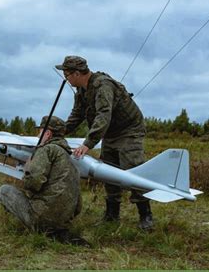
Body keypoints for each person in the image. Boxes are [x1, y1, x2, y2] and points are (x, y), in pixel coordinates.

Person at [55, 55, 153, 230]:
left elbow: (103, 115)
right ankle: (112, 216)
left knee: (133, 169)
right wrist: (57, 132)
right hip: (110, 132)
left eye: (67, 74)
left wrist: (88, 143)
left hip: (129, 130)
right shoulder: (81, 92)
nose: (66, 79)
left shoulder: (103, 85)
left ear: (77, 73)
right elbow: (77, 115)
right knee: (109, 169)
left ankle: (145, 215)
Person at [0, 115, 87, 245]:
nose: (38, 135)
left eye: (40, 131)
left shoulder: (46, 149)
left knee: (4, 190)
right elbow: (78, 207)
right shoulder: (69, 158)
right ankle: (57, 232)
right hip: (64, 222)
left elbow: (33, 183)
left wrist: (28, 170)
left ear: (48, 133)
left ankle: (39, 228)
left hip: (41, 218)